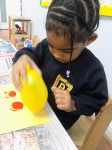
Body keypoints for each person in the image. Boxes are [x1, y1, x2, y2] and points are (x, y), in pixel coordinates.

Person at [12, 0, 108, 130]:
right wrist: (23, 57)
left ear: (89, 40)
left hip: (59, 124)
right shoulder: (45, 46)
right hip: (37, 111)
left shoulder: (93, 70)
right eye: (52, 47)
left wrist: (74, 103)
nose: (56, 54)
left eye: (66, 51)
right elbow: (30, 53)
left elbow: (97, 101)